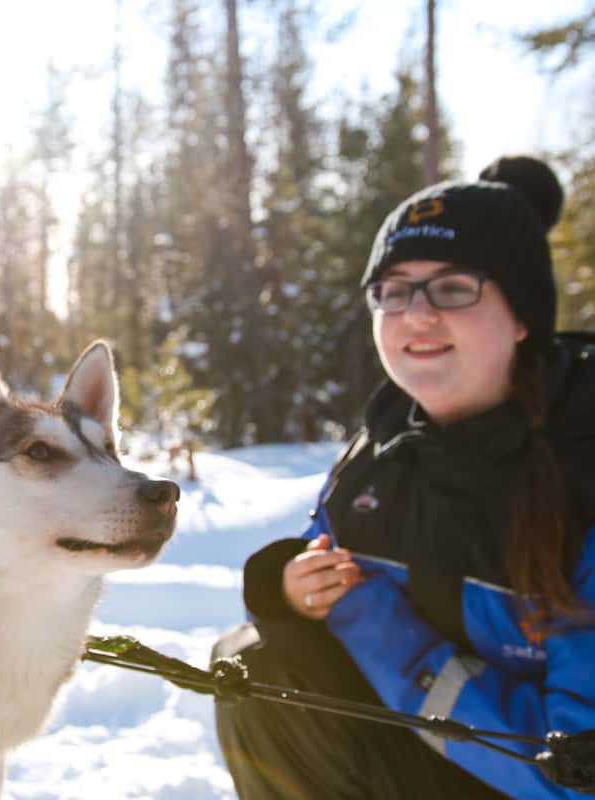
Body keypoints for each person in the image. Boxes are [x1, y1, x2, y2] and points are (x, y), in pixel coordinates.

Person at [213, 155, 595, 799]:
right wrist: (291, 592)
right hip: (432, 762)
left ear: (524, 314)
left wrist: (364, 613)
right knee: (253, 668)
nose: (417, 315)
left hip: (533, 783)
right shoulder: (381, 448)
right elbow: (321, 565)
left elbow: (574, 770)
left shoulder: (580, 463)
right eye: (394, 290)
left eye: (453, 288)